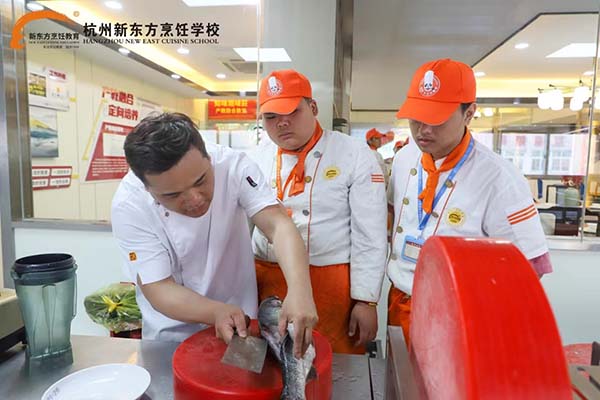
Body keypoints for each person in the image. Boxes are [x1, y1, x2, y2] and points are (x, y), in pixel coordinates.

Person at [111, 112, 317, 357]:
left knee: (243, 379)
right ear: (146, 188)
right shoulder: (130, 204)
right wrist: (216, 312)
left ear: (208, 158)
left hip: (240, 325)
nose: (194, 199)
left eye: (201, 181)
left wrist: (300, 290)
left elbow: (277, 225)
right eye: (173, 195)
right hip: (170, 334)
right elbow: (158, 287)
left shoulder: (233, 165)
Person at [387, 59, 553, 345]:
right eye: (416, 118)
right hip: (400, 301)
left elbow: (530, 266)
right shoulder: (404, 160)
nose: (423, 130)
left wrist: (481, 312)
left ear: (469, 113)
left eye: (436, 120)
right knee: (399, 372)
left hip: (459, 313)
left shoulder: (499, 177)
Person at [251, 70, 387, 354]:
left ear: (313, 108)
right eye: (271, 117)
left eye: (292, 112)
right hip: (265, 279)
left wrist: (366, 300)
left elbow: (369, 232)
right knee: (271, 365)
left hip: (331, 283)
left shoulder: (353, 153)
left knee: (332, 364)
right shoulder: (255, 158)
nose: (282, 123)